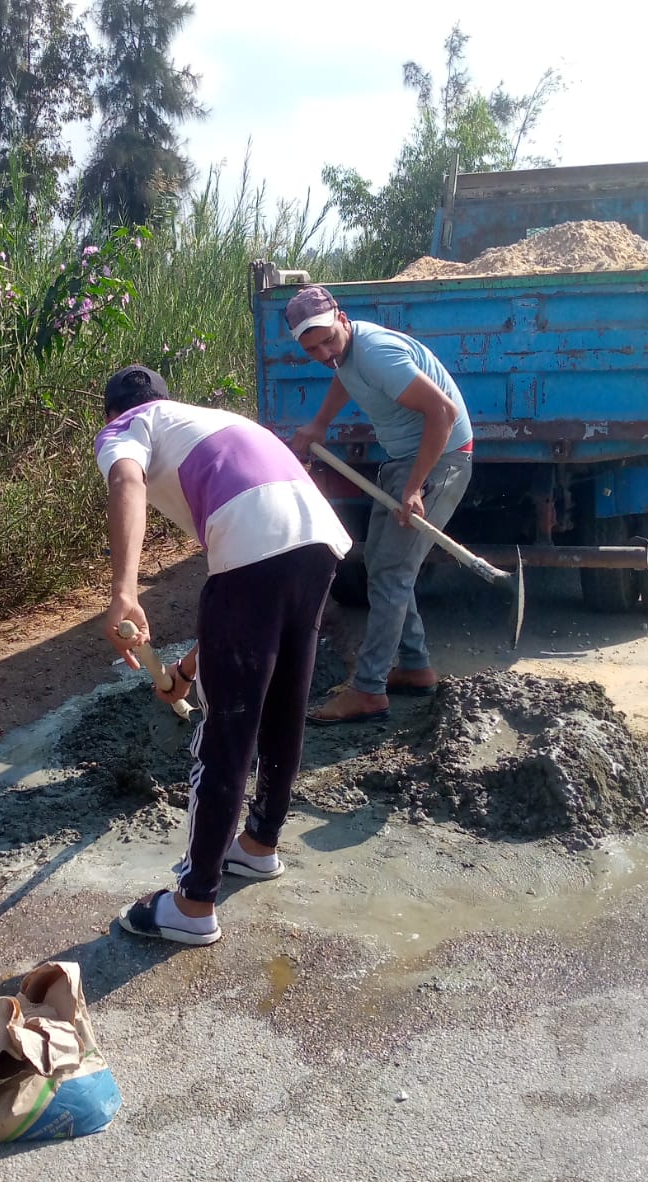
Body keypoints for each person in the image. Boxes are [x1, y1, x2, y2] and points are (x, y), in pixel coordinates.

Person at [97, 365, 351, 946]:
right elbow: (239, 630)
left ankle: (192, 904)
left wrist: (124, 592)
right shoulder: (209, 420)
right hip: (316, 536)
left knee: (228, 730)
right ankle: (259, 845)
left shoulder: (126, 427)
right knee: (283, 702)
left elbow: (127, 482)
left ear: (113, 414)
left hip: (256, 539)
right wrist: (186, 672)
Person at [285, 285, 473, 725]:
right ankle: (414, 666)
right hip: (404, 459)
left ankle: (368, 690)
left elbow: (441, 413)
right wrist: (318, 425)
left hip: (439, 460)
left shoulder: (375, 353)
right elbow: (343, 376)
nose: (325, 352)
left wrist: (415, 486)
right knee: (385, 570)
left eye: (328, 339)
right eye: (312, 348)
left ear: (342, 318)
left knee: (391, 574)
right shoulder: (348, 354)